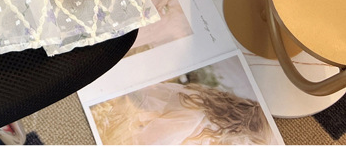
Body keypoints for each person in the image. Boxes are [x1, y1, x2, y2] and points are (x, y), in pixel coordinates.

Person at [90, 80, 275, 145]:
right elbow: (149, 140)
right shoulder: (195, 119)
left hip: (127, 110)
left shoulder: (203, 103)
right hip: (120, 123)